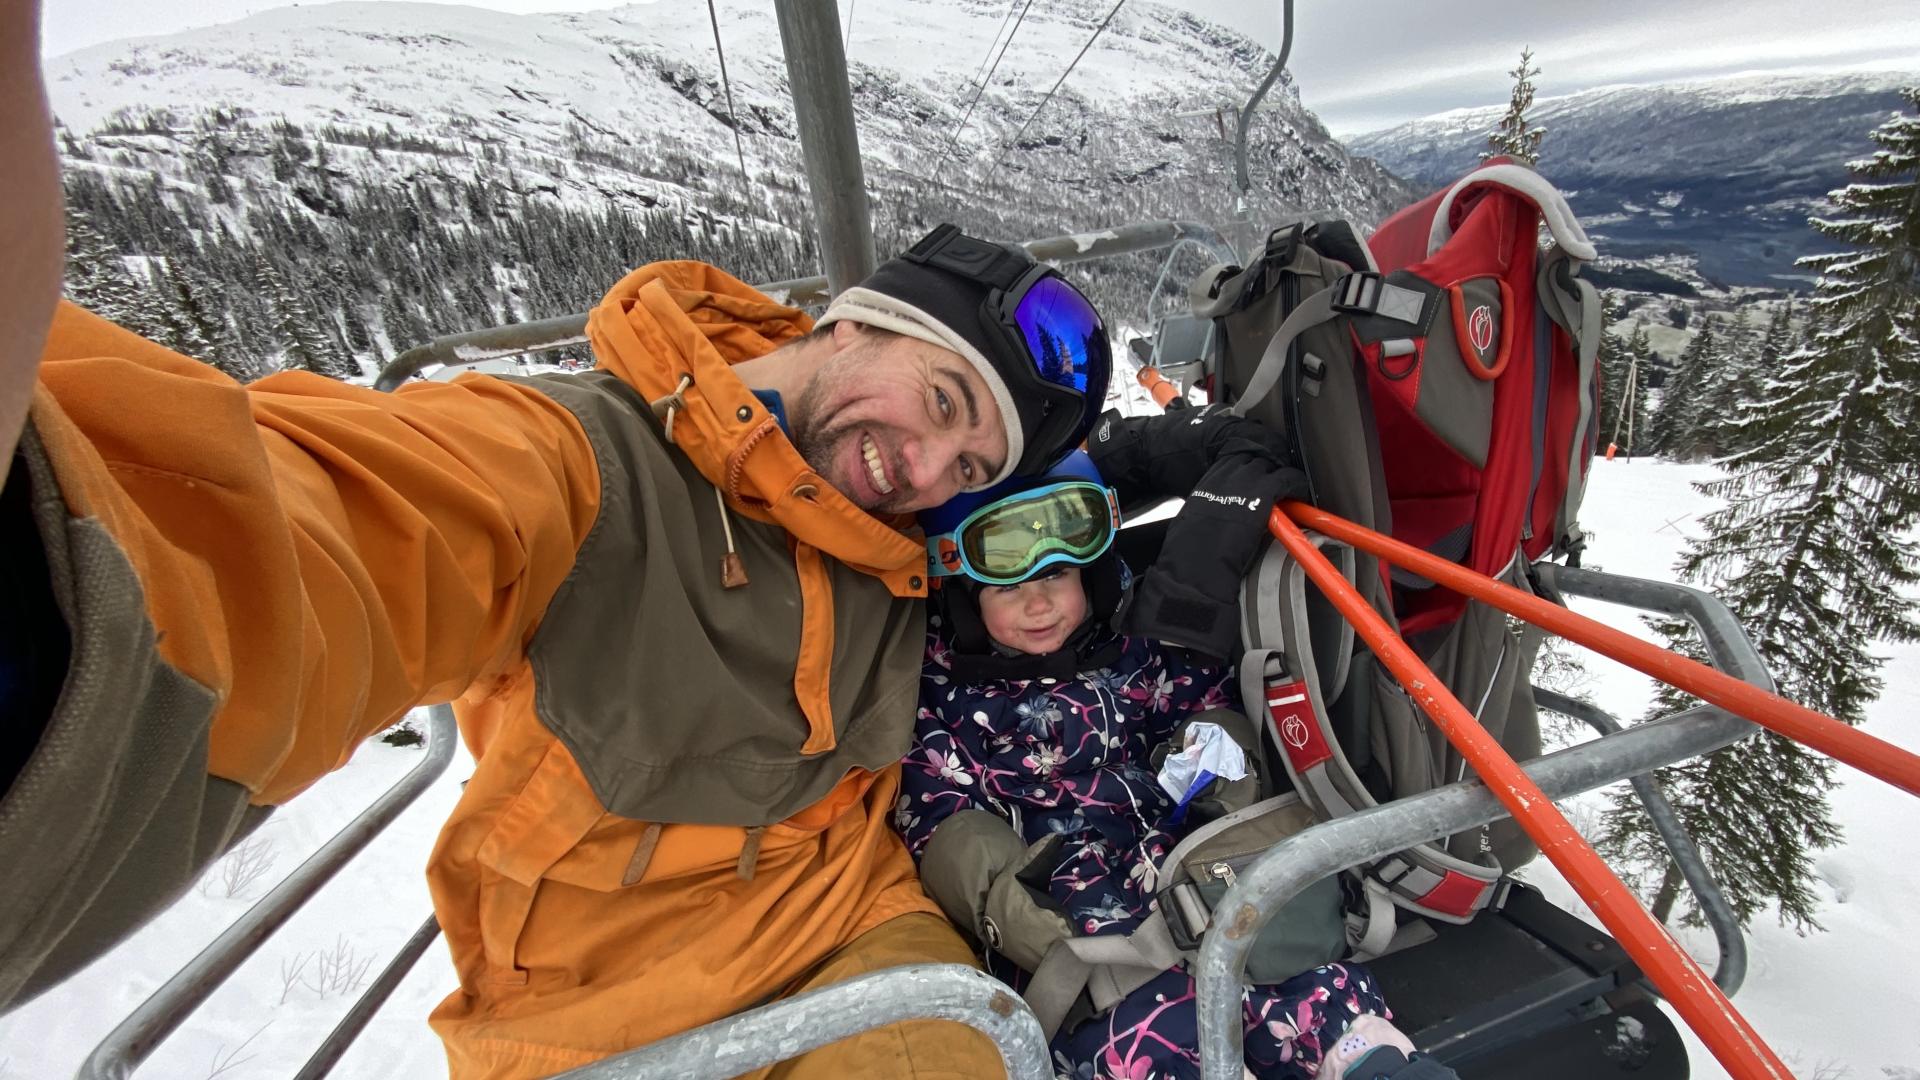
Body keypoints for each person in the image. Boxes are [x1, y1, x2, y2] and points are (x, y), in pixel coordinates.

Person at [0, 8, 1119, 1063]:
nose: (920, 471)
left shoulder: (902, 528)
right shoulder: (574, 461)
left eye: (967, 469)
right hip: (607, 1004)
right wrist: (61, 590)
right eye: (939, 401)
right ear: (862, 315)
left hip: (861, 929)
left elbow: (1048, 540)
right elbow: (317, 540)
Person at [897, 453, 1445, 1080]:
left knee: (1307, 983)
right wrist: (999, 893)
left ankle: (1365, 1057)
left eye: (1058, 577)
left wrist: (1215, 754)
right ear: (964, 599)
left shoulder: (1134, 650)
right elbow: (936, 808)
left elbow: (1202, 701)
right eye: (1008, 588)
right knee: (1134, 1038)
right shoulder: (947, 698)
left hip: (1186, 861)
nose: (1039, 603)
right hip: (1069, 901)